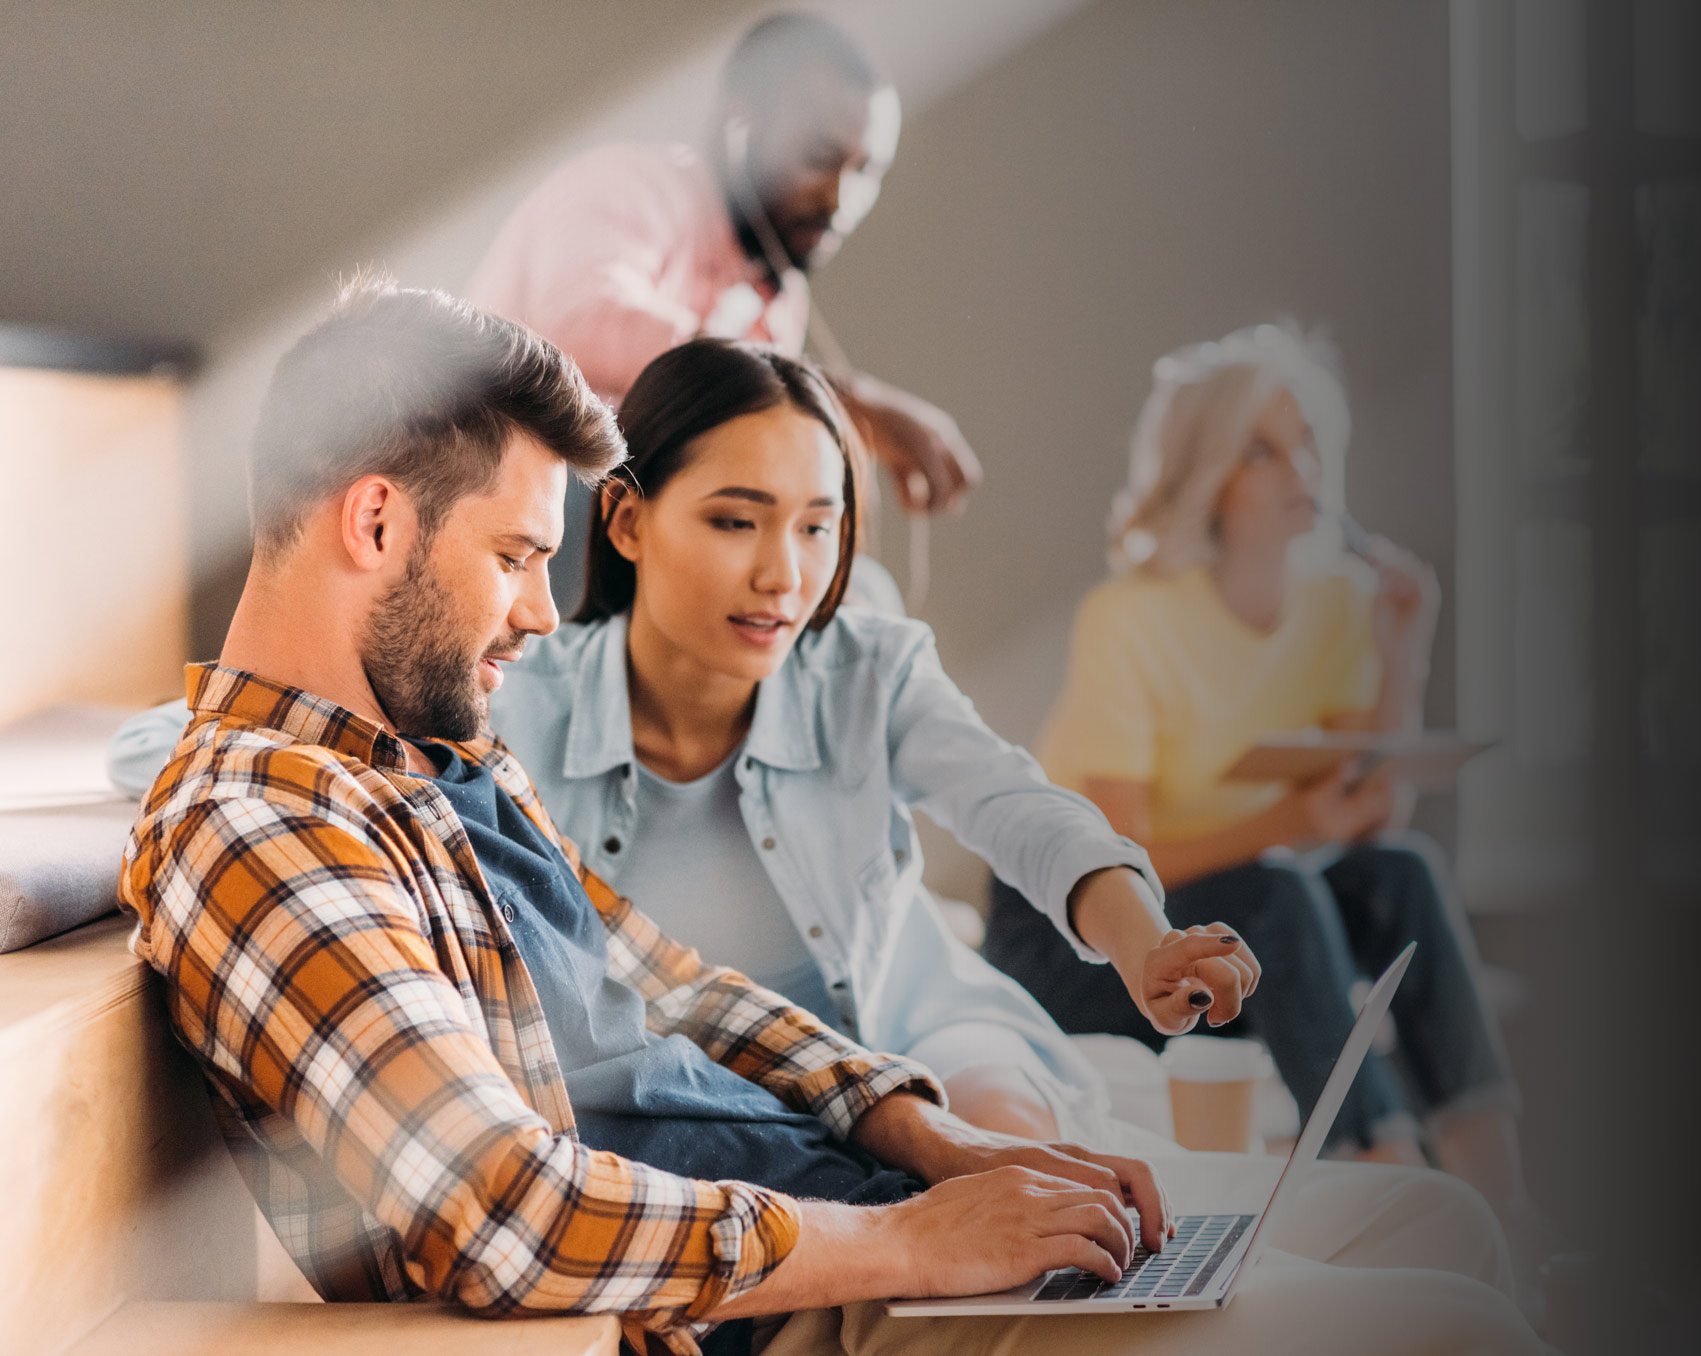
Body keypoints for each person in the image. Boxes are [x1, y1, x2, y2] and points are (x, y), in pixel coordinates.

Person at [116, 282, 1543, 1354]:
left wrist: (930, 1137)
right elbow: (503, 1211)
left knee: (1442, 1224)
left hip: (870, 1208)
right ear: (373, 524)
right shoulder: (261, 830)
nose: (543, 614)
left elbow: (674, 987)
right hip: (812, 1305)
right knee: (1441, 1324)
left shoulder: (430, 763)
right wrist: (910, 1240)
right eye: (513, 557)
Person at [105, 333, 1261, 1144]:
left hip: (898, 1034)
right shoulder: (512, 686)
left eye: (818, 527)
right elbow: (210, 729)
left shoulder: (867, 665)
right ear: (628, 518)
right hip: (714, 1085)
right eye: (734, 520)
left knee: (1003, 1136)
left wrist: (1143, 939)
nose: (786, 574)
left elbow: (1017, 807)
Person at [982, 321, 1548, 1254]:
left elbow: (1367, 815)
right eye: (1261, 450)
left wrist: (1405, 647)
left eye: (1307, 443)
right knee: (1277, 893)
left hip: (1227, 904)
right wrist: (1289, 821)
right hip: (1085, 934)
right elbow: (1124, 860)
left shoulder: (1332, 609)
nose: (1300, 471)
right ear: (1208, 477)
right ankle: (1395, 1185)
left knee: (1399, 870)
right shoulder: (1129, 620)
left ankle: (1505, 1205)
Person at [466, 9, 980, 613]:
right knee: (595, 482)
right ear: (740, 121)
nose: (841, 201)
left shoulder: (776, 299)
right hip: (501, 491)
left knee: (858, 597)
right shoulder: (628, 185)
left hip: (622, 542)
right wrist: (837, 398)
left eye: (865, 171)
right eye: (819, 156)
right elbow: (583, 327)